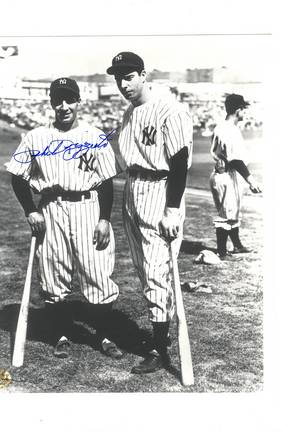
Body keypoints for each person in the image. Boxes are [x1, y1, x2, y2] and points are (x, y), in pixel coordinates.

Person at [6, 77, 123, 359]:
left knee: (97, 272)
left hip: (87, 206)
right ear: (51, 103)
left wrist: (104, 219)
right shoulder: (36, 136)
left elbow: (106, 181)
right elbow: (17, 175)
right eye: (58, 100)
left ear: (78, 101)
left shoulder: (94, 135)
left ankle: (105, 335)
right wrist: (30, 210)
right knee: (54, 274)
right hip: (51, 208)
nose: (64, 105)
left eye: (69, 99)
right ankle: (60, 334)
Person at [106, 52, 193, 374]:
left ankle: (159, 348)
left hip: (160, 190)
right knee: (145, 273)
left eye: (128, 76)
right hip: (133, 189)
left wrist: (172, 210)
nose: (123, 83)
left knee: (157, 273)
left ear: (143, 75)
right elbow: (125, 158)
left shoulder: (170, 109)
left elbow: (180, 162)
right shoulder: (129, 113)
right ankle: (161, 335)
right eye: (118, 78)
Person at [209, 94, 262, 259]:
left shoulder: (223, 127)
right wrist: (251, 180)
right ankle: (222, 251)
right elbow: (235, 159)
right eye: (243, 109)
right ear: (238, 110)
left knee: (232, 212)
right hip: (226, 174)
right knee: (226, 213)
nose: (244, 113)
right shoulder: (228, 130)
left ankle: (237, 245)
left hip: (227, 173)